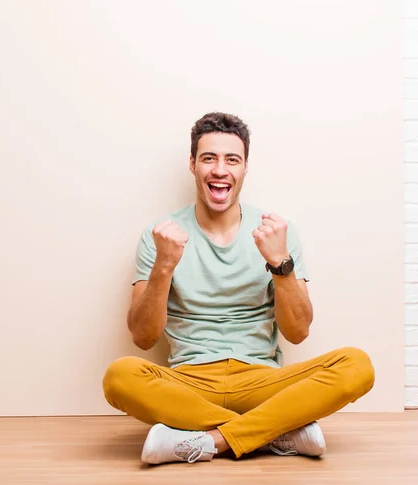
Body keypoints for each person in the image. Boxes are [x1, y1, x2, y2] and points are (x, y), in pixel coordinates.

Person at [102, 112, 375, 465]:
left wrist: (280, 263)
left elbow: (298, 332)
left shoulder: (277, 232)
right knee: (119, 377)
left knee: (357, 365)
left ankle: (209, 441)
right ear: (192, 164)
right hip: (189, 383)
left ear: (245, 168)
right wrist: (164, 266)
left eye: (232, 159)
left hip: (262, 383)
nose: (220, 170)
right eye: (208, 158)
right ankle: (275, 433)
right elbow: (143, 337)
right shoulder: (160, 235)